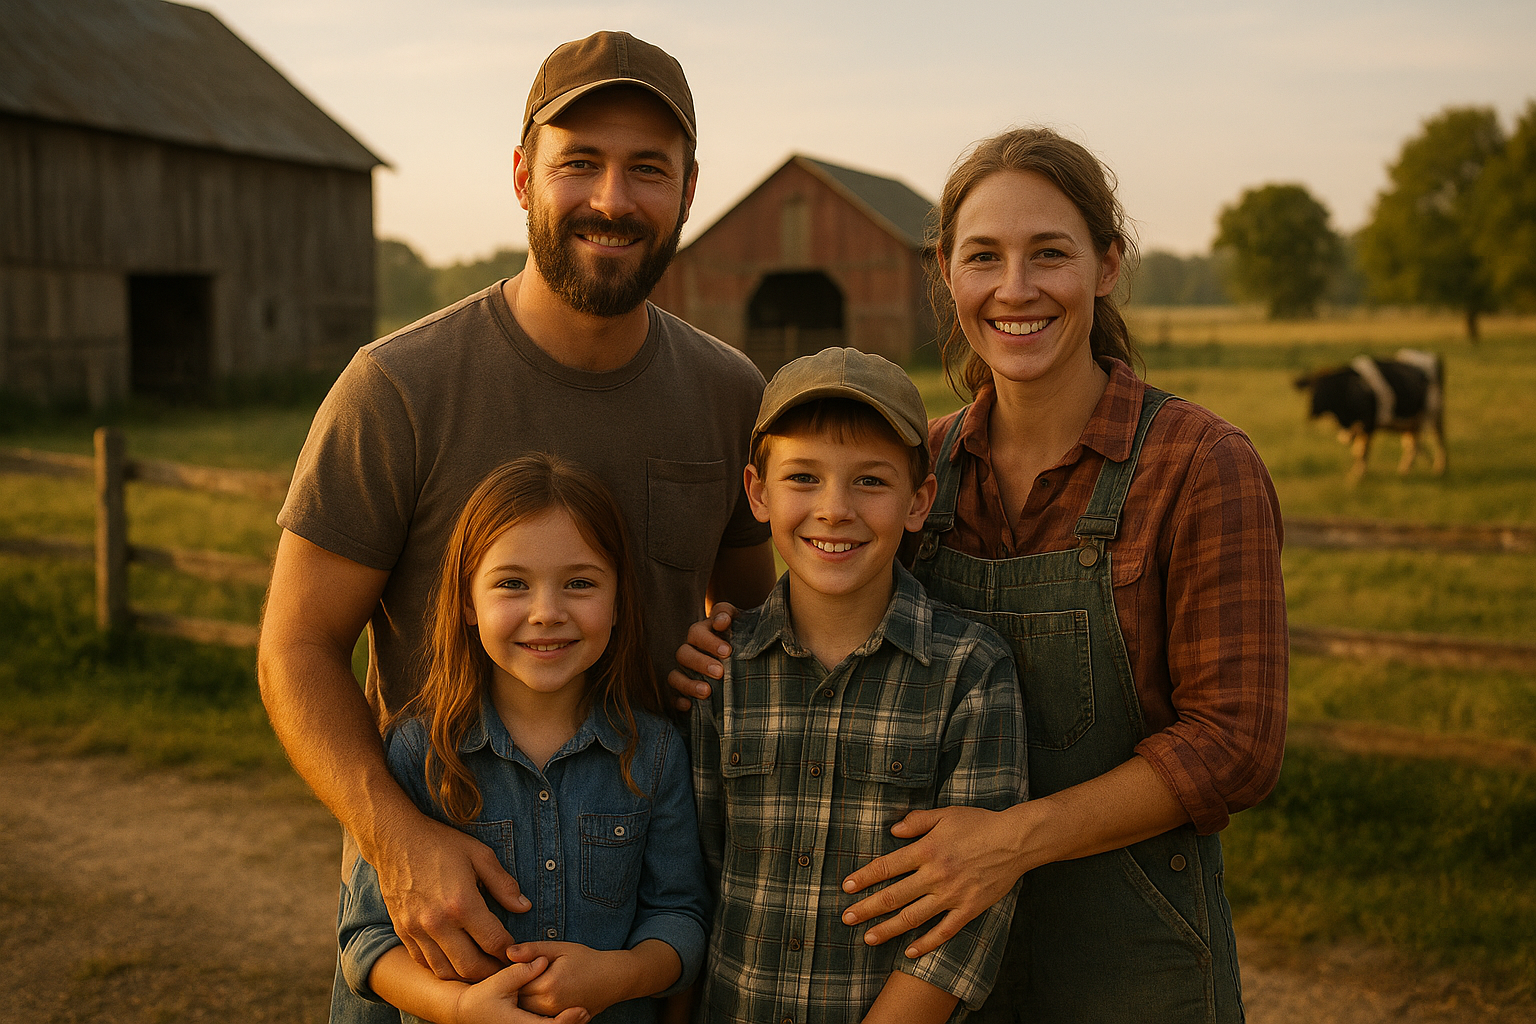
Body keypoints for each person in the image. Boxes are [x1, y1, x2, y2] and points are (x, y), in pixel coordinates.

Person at [672, 129, 1288, 1023]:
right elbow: (838, 620)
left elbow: (1237, 746)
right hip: (944, 981)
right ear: (948, 276)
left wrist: (1011, 842)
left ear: (1107, 265)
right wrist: (725, 642)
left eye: (1050, 254)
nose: (1016, 288)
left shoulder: (1199, 466)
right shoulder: (920, 470)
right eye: (984, 258)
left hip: (1136, 961)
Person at [257, 29, 775, 1023]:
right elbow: (294, 644)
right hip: (434, 946)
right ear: (521, 174)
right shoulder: (398, 389)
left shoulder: (729, 393)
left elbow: (755, 621)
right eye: (578, 162)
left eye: (647, 170)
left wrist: (730, 649)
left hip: (631, 956)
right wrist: (398, 843)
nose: (612, 199)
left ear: (690, 189)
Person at [690, 347, 1028, 1024]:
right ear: (758, 492)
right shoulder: (719, 671)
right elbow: (692, 881)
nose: (835, 509)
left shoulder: (970, 672)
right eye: (804, 478)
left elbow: (963, 929)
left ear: (918, 502)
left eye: (870, 481)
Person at [338, 454, 708, 1024]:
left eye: (579, 583)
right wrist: (463, 1008)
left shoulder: (654, 753)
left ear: (617, 601)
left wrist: (619, 975)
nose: (546, 613)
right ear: (467, 600)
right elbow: (367, 944)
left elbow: (681, 916)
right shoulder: (419, 753)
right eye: (512, 583)